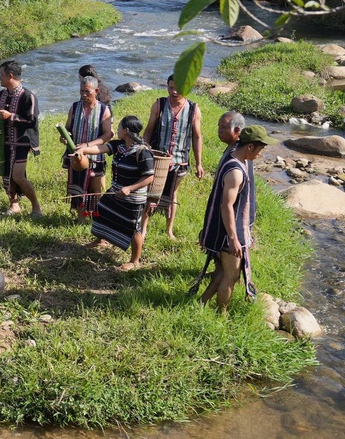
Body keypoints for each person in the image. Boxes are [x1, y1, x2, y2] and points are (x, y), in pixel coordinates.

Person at [198, 125, 276, 312]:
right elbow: (227, 205)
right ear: (250, 147)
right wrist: (234, 239)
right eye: (260, 148)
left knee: (222, 271)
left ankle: (201, 303)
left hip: (220, 229)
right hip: (228, 233)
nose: (261, 153)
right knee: (231, 276)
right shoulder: (236, 172)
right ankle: (221, 314)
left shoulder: (233, 159)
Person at [72, 116, 156, 270]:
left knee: (133, 227)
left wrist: (130, 188)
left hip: (133, 197)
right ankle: (100, 239)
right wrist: (83, 149)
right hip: (116, 191)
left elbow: (149, 176)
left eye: (119, 128)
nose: (116, 130)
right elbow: (101, 148)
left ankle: (135, 260)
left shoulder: (143, 152)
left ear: (126, 131)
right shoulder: (120, 146)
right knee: (102, 210)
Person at [144, 74, 205, 239]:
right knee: (152, 192)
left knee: (173, 194)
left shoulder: (193, 109)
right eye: (171, 88)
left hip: (180, 161)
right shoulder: (159, 104)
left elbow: (197, 137)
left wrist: (199, 163)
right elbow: (149, 129)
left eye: (178, 88)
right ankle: (143, 228)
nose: (174, 91)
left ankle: (169, 230)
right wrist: (144, 148)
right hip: (158, 158)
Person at [0, 59, 42, 217]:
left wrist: (10, 116)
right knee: (6, 173)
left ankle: (36, 207)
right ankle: (14, 204)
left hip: (22, 142)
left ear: (10, 76)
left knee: (18, 175)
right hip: (5, 141)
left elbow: (31, 120)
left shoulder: (28, 96)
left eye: (1, 75)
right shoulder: (1, 95)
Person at [62, 75, 113, 219]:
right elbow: (68, 128)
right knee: (78, 186)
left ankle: (95, 216)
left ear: (96, 91)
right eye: (82, 91)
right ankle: (81, 217)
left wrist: (87, 145)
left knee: (95, 188)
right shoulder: (75, 107)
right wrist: (65, 137)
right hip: (76, 157)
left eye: (87, 92)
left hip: (95, 156)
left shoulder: (104, 110)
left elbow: (107, 135)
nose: (84, 95)